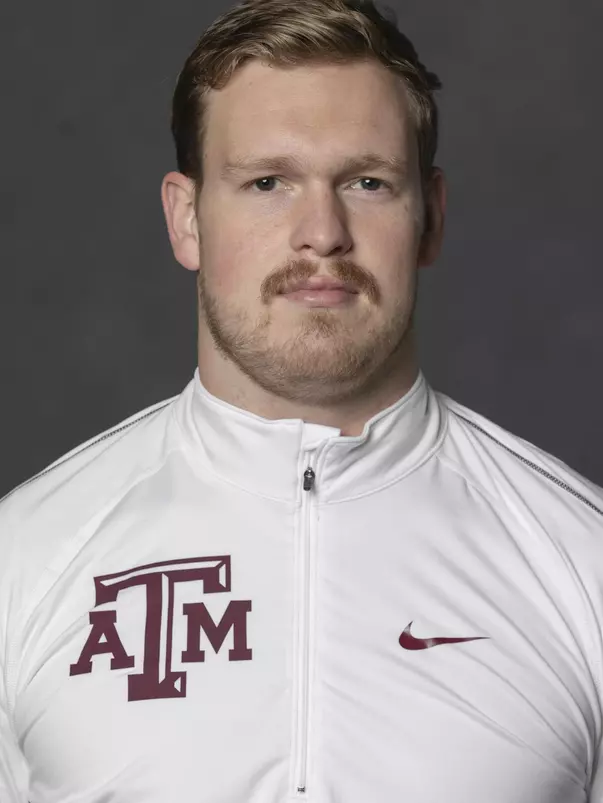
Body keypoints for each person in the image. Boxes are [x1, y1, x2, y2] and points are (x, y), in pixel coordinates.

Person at [1, 0, 602, 800]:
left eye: (366, 181)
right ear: (186, 218)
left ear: (429, 218)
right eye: (266, 182)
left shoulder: (578, 562)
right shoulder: (26, 560)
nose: (321, 232)